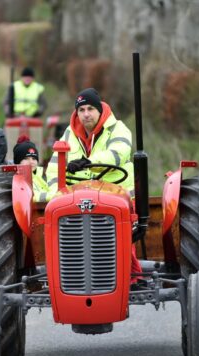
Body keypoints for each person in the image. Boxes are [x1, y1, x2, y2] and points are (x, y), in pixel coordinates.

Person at [45, 87, 141, 281]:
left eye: (90, 109)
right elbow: (55, 167)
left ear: (100, 110)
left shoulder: (118, 129)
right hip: (77, 196)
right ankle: (68, 276)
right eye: (81, 110)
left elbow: (118, 153)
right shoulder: (68, 134)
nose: (86, 114)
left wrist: (90, 161)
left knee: (121, 233)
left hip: (117, 194)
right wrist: (56, 195)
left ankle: (129, 275)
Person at [13, 136, 49, 202]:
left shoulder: (40, 178)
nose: (31, 162)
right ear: (18, 162)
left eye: (34, 158)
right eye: (26, 159)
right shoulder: (18, 183)